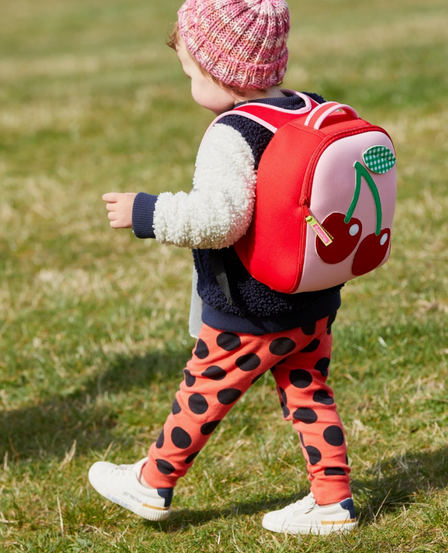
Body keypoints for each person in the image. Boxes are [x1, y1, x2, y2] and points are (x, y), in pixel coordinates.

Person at [89, 0, 357, 535]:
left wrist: (147, 211)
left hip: (251, 304)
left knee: (202, 392)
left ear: (220, 71)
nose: (189, 82)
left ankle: (153, 482)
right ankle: (332, 500)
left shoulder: (232, 133)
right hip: (313, 296)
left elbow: (219, 221)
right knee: (308, 392)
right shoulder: (309, 106)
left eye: (190, 71)